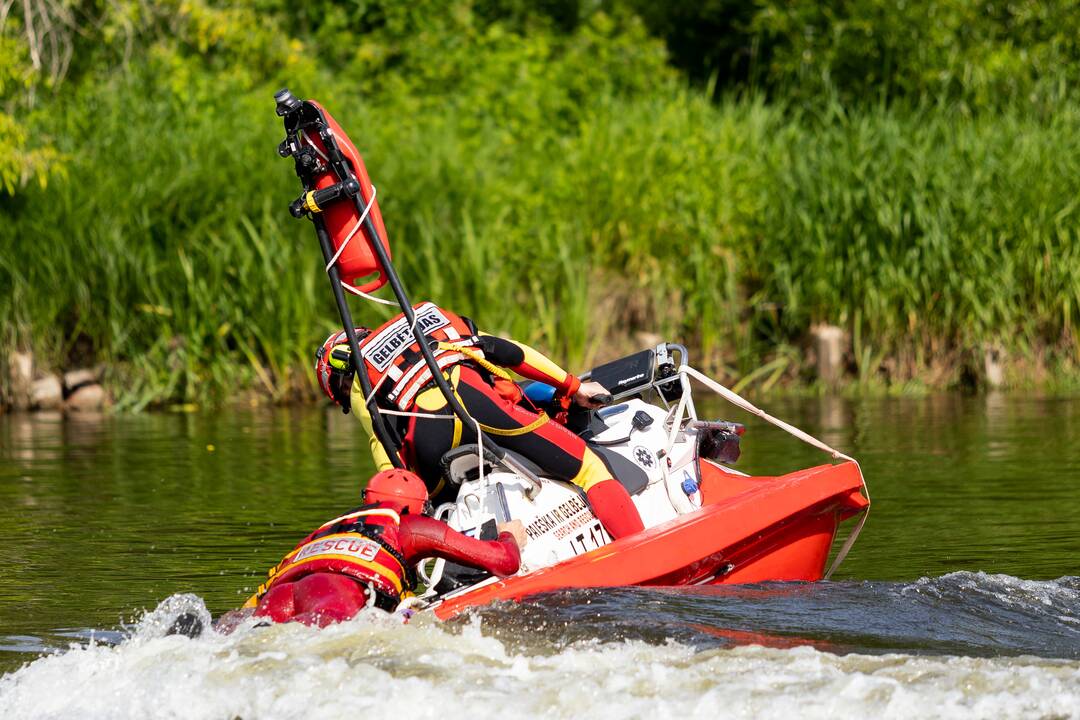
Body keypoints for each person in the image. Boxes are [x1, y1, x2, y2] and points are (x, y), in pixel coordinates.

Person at [314, 301, 645, 540]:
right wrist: (574, 386)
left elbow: (381, 441)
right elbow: (512, 353)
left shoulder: (363, 381)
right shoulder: (426, 315)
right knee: (589, 468)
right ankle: (637, 554)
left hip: (430, 446)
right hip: (480, 407)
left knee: (428, 519)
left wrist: (396, 506)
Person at [242, 468, 524, 627]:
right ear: (419, 508)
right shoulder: (410, 526)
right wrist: (509, 537)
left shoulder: (320, 533)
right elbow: (504, 561)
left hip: (279, 594)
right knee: (316, 633)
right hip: (335, 593)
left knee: (241, 630)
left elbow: (249, 604)